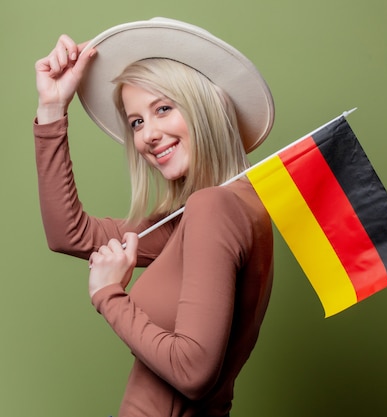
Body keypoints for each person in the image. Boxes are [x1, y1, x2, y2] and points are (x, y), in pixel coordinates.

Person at [34, 17, 275, 417]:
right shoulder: (208, 213)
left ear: (205, 104)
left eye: (163, 108)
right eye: (137, 122)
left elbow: (192, 370)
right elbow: (69, 233)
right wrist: (52, 107)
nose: (148, 135)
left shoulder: (213, 208)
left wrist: (108, 295)